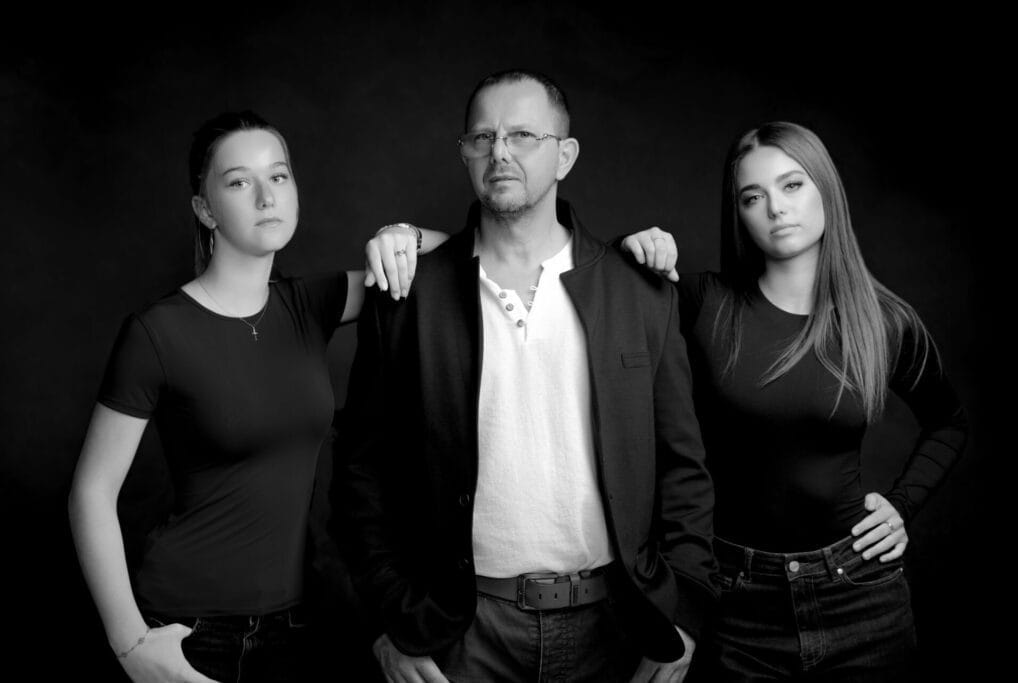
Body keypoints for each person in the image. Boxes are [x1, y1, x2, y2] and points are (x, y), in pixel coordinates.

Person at [332, 69, 716, 683]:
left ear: (565, 155)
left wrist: (686, 615)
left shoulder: (636, 289)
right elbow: (360, 477)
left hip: (617, 624)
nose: (499, 152)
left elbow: (684, 469)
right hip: (458, 632)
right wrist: (389, 624)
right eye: (481, 138)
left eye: (523, 136)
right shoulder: (410, 295)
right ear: (464, 154)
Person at [68, 110, 445, 683]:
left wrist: (404, 235)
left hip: (295, 625)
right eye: (240, 181)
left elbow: (451, 261)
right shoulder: (157, 333)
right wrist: (132, 647)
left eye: (281, 176)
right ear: (205, 210)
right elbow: (91, 494)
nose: (267, 195)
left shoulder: (308, 305)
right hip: (185, 627)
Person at [622, 121, 969, 681]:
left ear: (826, 190)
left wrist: (902, 505)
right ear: (738, 214)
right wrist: (628, 252)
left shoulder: (885, 322)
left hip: (861, 595)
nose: (775, 209)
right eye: (752, 197)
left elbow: (948, 423)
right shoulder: (704, 304)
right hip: (736, 600)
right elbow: (601, 305)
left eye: (793, 186)